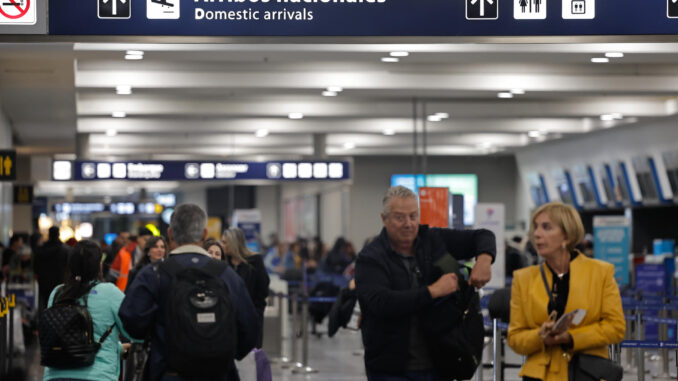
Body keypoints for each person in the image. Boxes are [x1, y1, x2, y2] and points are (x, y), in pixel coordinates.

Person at [355, 185, 496, 380]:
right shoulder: (371, 258)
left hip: (438, 362)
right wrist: (432, 291)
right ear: (384, 219)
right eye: (399, 217)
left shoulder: (431, 241)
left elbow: (482, 236)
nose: (408, 224)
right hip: (390, 368)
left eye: (413, 216)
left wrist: (484, 259)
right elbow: (382, 303)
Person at [119, 203, 259, 381]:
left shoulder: (154, 274)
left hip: (167, 372)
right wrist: (224, 353)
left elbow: (131, 319)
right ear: (204, 234)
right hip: (218, 374)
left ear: (170, 233)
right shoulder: (226, 274)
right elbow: (250, 327)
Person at [507, 202, 625, 381]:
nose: (537, 234)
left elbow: (615, 328)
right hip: (539, 375)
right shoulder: (523, 279)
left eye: (546, 227)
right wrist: (539, 336)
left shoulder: (601, 273)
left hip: (586, 373)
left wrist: (571, 337)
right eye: (536, 227)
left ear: (567, 236)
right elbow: (515, 338)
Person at [42, 240, 135, 381]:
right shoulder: (109, 292)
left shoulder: (58, 292)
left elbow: (64, 336)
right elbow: (133, 330)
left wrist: (117, 347)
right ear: (99, 265)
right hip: (98, 375)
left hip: (55, 375)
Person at [222, 227, 270, 348]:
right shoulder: (224, 264)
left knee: (252, 354)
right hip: (229, 319)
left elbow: (263, 287)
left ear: (233, 243)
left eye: (225, 242)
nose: (222, 245)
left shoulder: (255, 261)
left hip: (251, 316)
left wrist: (256, 310)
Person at [34, 226, 70, 314]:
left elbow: (36, 267)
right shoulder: (66, 250)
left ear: (49, 235)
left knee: (45, 305)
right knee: (59, 306)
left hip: (44, 283)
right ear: (58, 234)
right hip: (60, 283)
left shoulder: (41, 250)